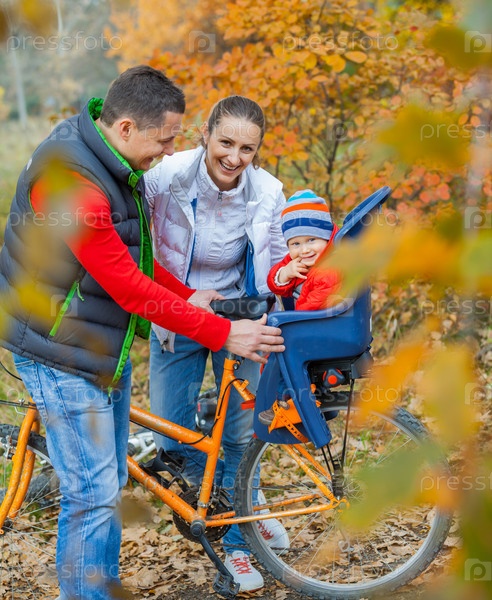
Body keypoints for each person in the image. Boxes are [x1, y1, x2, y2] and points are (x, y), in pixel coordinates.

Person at [0, 67, 284, 600]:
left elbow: (133, 258)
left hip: (99, 344)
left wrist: (187, 295)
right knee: (91, 493)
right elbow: (129, 287)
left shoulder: (110, 157)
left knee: (106, 485)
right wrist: (221, 332)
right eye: (165, 139)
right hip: (59, 351)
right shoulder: (73, 184)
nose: (171, 150)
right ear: (127, 127)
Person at [144, 95, 288, 592]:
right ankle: (245, 496)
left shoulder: (268, 192)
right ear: (204, 134)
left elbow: (275, 265)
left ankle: (239, 543)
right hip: (177, 314)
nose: (234, 157)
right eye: (225, 142)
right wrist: (182, 300)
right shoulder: (164, 177)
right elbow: (137, 249)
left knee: (241, 436)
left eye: (248, 149)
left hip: (241, 322)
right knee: (172, 439)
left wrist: (288, 285)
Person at [259, 189, 342, 425]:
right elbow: (274, 280)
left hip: (321, 330)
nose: (304, 249)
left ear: (326, 237)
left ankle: (288, 403)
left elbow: (311, 309)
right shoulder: (301, 261)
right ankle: (309, 401)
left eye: (311, 240)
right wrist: (285, 273)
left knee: (283, 357)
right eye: (295, 243)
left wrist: (288, 326)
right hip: (313, 329)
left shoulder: (328, 270)